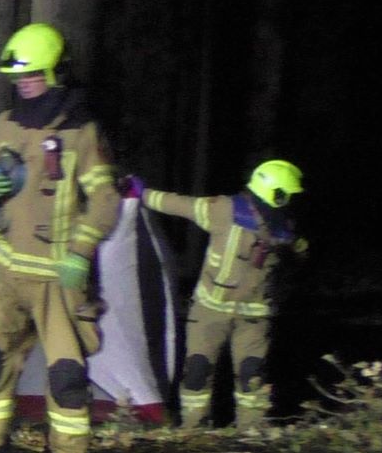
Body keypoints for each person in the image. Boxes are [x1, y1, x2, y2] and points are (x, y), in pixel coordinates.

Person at [0, 23, 119, 453]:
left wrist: (80, 253)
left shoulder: (83, 133)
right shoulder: (4, 125)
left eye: (32, 75)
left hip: (58, 275)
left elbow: (105, 200)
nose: (23, 84)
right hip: (2, 269)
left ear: (55, 74)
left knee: (67, 375)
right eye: (18, 77)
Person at [132, 160, 307, 429]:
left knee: (251, 375)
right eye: (289, 196)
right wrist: (142, 194)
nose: (292, 203)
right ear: (276, 194)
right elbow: (179, 204)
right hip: (210, 311)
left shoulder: (286, 228)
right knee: (198, 370)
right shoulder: (224, 210)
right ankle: (193, 429)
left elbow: (298, 257)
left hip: (255, 316)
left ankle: (252, 432)